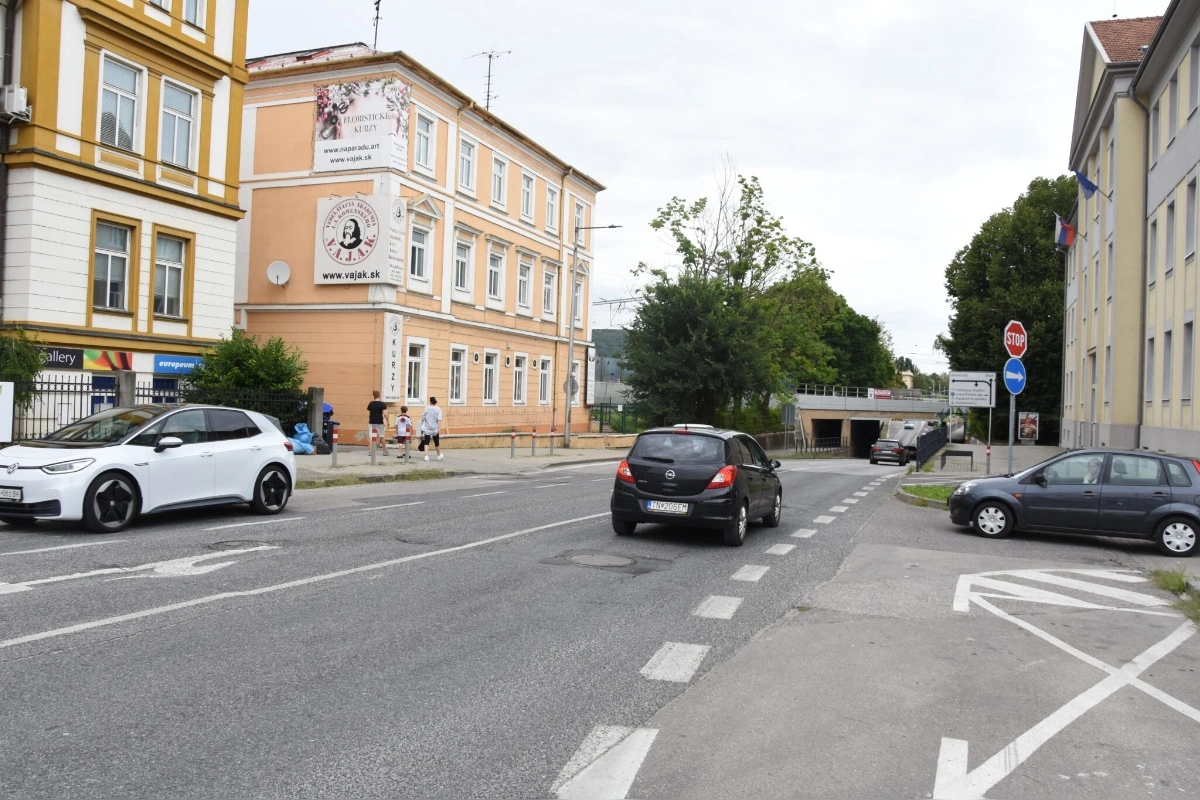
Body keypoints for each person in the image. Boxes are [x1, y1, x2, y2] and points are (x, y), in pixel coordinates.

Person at [418, 396, 444, 461]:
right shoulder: (438, 409)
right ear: (435, 402)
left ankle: (426, 456)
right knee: (436, 442)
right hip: (435, 428)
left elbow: (423, 418)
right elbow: (439, 420)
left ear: (430, 401)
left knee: (426, 442)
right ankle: (439, 455)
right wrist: (439, 428)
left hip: (427, 428)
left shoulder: (426, 408)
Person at [367, 390, 389, 455]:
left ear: (373, 396)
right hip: (379, 422)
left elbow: (370, 412)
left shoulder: (371, 404)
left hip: (371, 422)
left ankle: (370, 451)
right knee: (382, 436)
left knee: (371, 436)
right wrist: (388, 421)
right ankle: (384, 451)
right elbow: (385, 413)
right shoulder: (382, 404)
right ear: (379, 395)